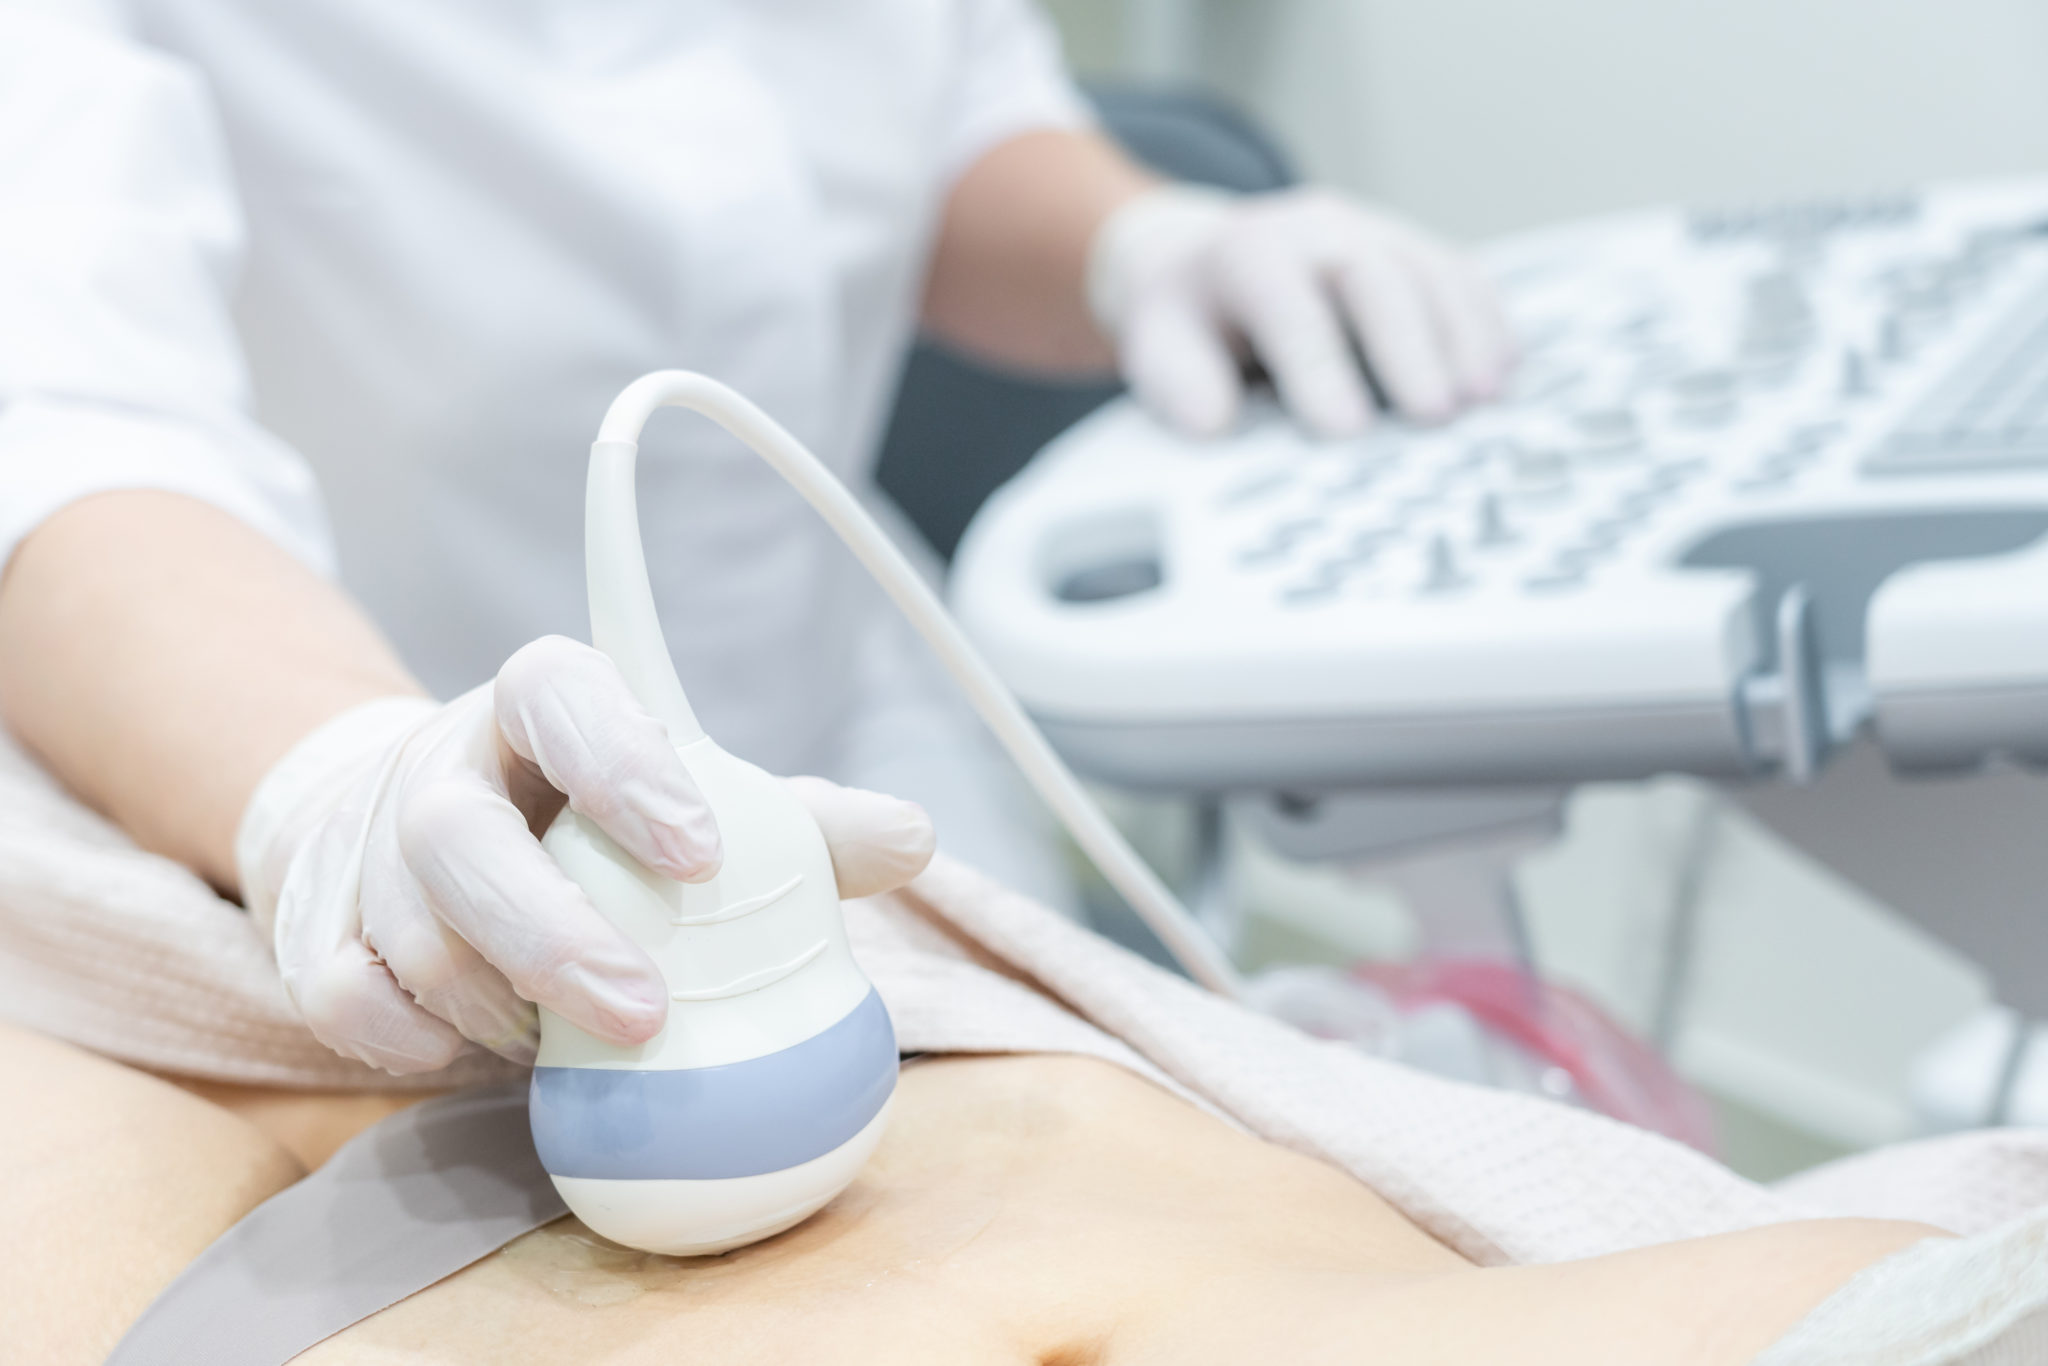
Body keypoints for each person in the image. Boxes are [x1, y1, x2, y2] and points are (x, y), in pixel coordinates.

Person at [0, 2, 1510, 1076]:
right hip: (295, 775)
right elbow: (68, 424)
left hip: (842, 740)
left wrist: (1142, 245)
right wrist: (337, 791)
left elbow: (937, 113)